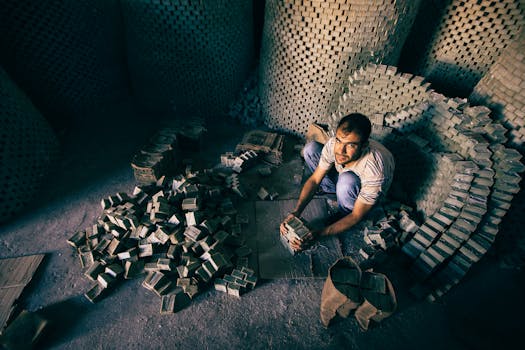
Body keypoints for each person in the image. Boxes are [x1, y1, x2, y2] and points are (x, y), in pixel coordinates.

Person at [280, 113, 395, 251]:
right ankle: (333, 192)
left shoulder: (375, 169)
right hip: (343, 179)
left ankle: (342, 212)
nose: (341, 150)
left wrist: (320, 233)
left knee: (347, 181)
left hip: (360, 198)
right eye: (339, 140)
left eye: (350, 145)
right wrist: (296, 212)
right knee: (311, 149)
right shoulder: (334, 145)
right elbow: (315, 179)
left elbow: (356, 215)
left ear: (364, 146)